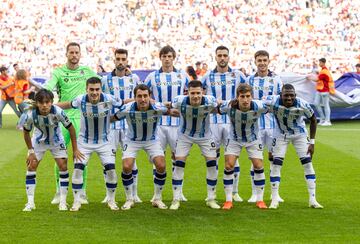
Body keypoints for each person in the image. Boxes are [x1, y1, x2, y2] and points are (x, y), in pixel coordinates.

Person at [57, 77, 124, 211]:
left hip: (105, 142)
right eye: (91, 89)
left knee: (111, 170)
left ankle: (111, 200)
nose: (94, 92)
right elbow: (68, 104)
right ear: (86, 89)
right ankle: (77, 201)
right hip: (84, 142)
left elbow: (124, 103)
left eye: (97, 89)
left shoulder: (109, 99)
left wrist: (140, 100)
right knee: (78, 169)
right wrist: (49, 105)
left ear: (101, 89)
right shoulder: (80, 99)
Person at [45, 42, 98, 204]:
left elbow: (103, 85)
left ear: (80, 55)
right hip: (62, 118)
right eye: (71, 52)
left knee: (81, 157)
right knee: (60, 156)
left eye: (77, 52)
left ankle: (81, 192)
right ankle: (59, 192)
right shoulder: (59, 72)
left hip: (83, 118)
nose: (74, 55)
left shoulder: (87, 71)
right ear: (66, 54)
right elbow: (47, 88)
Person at [22, 89, 83, 211]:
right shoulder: (30, 115)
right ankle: (30, 203)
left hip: (56, 141)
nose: (44, 105)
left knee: (63, 167)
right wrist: (31, 152)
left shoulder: (58, 112)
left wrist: (75, 149)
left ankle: (63, 202)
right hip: (39, 142)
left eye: (47, 102)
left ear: (51, 102)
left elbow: (71, 129)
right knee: (31, 167)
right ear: (37, 103)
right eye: (41, 102)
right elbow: (26, 132)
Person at [114, 84, 172, 210]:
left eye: (145, 96)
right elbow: (113, 118)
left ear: (150, 97)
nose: (143, 99)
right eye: (139, 96)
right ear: (134, 98)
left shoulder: (157, 107)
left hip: (152, 140)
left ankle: (157, 198)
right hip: (132, 140)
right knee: (127, 166)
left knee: (161, 165)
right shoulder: (127, 108)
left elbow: (173, 112)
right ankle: (130, 199)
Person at [266, 84, 323, 209]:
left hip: (299, 135)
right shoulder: (272, 101)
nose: (289, 98)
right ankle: (274, 199)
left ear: (295, 95)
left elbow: (313, 120)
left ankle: (312, 199)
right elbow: (257, 105)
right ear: (281, 95)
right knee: (276, 164)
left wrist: (312, 143)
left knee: (307, 164)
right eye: (286, 95)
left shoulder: (302, 104)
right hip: (281, 135)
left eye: (291, 95)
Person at [144, 45, 190, 202]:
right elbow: (144, 96)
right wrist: (161, 105)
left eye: (169, 56)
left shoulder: (182, 76)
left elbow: (190, 96)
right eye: (164, 56)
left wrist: (181, 108)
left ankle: (179, 192)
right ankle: (157, 193)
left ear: (173, 57)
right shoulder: (152, 77)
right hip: (159, 124)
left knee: (179, 158)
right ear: (160, 58)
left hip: (178, 124)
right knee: (158, 159)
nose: (167, 59)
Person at [201, 45, 246, 202]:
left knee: (233, 158)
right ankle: (211, 194)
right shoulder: (207, 77)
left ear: (228, 57)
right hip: (212, 122)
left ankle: (234, 192)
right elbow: (198, 95)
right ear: (215, 57)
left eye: (224, 55)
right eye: (219, 55)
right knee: (212, 158)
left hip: (232, 122)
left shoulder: (238, 75)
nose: (222, 58)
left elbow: (247, 93)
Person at [169, 80, 220, 210]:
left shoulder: (210, 100)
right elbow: (169, 106)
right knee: (179, 164)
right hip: (185, 135)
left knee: (212, 164)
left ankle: (211, 199)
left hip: (205, 136)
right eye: (193, 93)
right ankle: (176, 199)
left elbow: (218, 106)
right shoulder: (179, 101)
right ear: (188, 93)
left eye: (198, 93)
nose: (196, 96)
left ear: (203, 92)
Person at [101, 48, 141, 203]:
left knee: (131, 161)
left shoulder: (134, 79)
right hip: (110, 126)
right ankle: (109, 195)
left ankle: (133, 194)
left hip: (129, 126)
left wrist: (123, 102)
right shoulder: (105, 80)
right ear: (114, 60)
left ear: (127, 60)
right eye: (118, 59)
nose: (120, 62)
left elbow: (139, 99)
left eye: (123, 59)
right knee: (108, 161)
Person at [219, 84, 268, 210]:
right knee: (229, 165)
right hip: (234, 139)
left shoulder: (259, 106)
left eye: (248, 96)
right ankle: (228, 200)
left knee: (258, 165)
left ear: (251, 96)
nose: (245, 100)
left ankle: (260, 200)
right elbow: (216, 109)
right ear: (237, 97)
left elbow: (272, 108)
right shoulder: (229, 106)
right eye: (242, 97)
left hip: (253, 139)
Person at [246, 50, 283, 203]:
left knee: (275, 159)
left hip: (274, 125)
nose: (262, 63)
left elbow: (281, 100)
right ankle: (255, 193)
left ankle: (275, 194)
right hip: (255, 126)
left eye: (264, 60)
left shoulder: (277, 79)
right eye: (259, 60)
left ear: (269, 61)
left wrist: (267, 100)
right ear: (255, 62)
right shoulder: (249, 80)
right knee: (255, 160)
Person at [312, 58, 335, 126]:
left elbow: (317, 79)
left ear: (322, 63)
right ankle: (322, 119)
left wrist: (308, 77)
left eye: (320, 62)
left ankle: (327, 121)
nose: (319, 64)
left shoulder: (324, 71)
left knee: (326, 105)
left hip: (324, 90)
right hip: (320, 90)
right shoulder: (323, 70)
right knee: (316, 103)